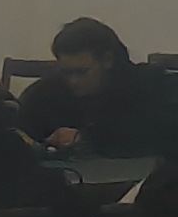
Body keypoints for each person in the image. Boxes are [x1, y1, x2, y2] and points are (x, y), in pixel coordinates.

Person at [15, 17, 174, 162]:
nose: (73, 81)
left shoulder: (150, 86)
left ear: (108, 60)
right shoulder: (47, 92)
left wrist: (86, 139)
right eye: (66, 72)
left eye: (81, 72)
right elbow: (21, 128)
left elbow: (162, 134)